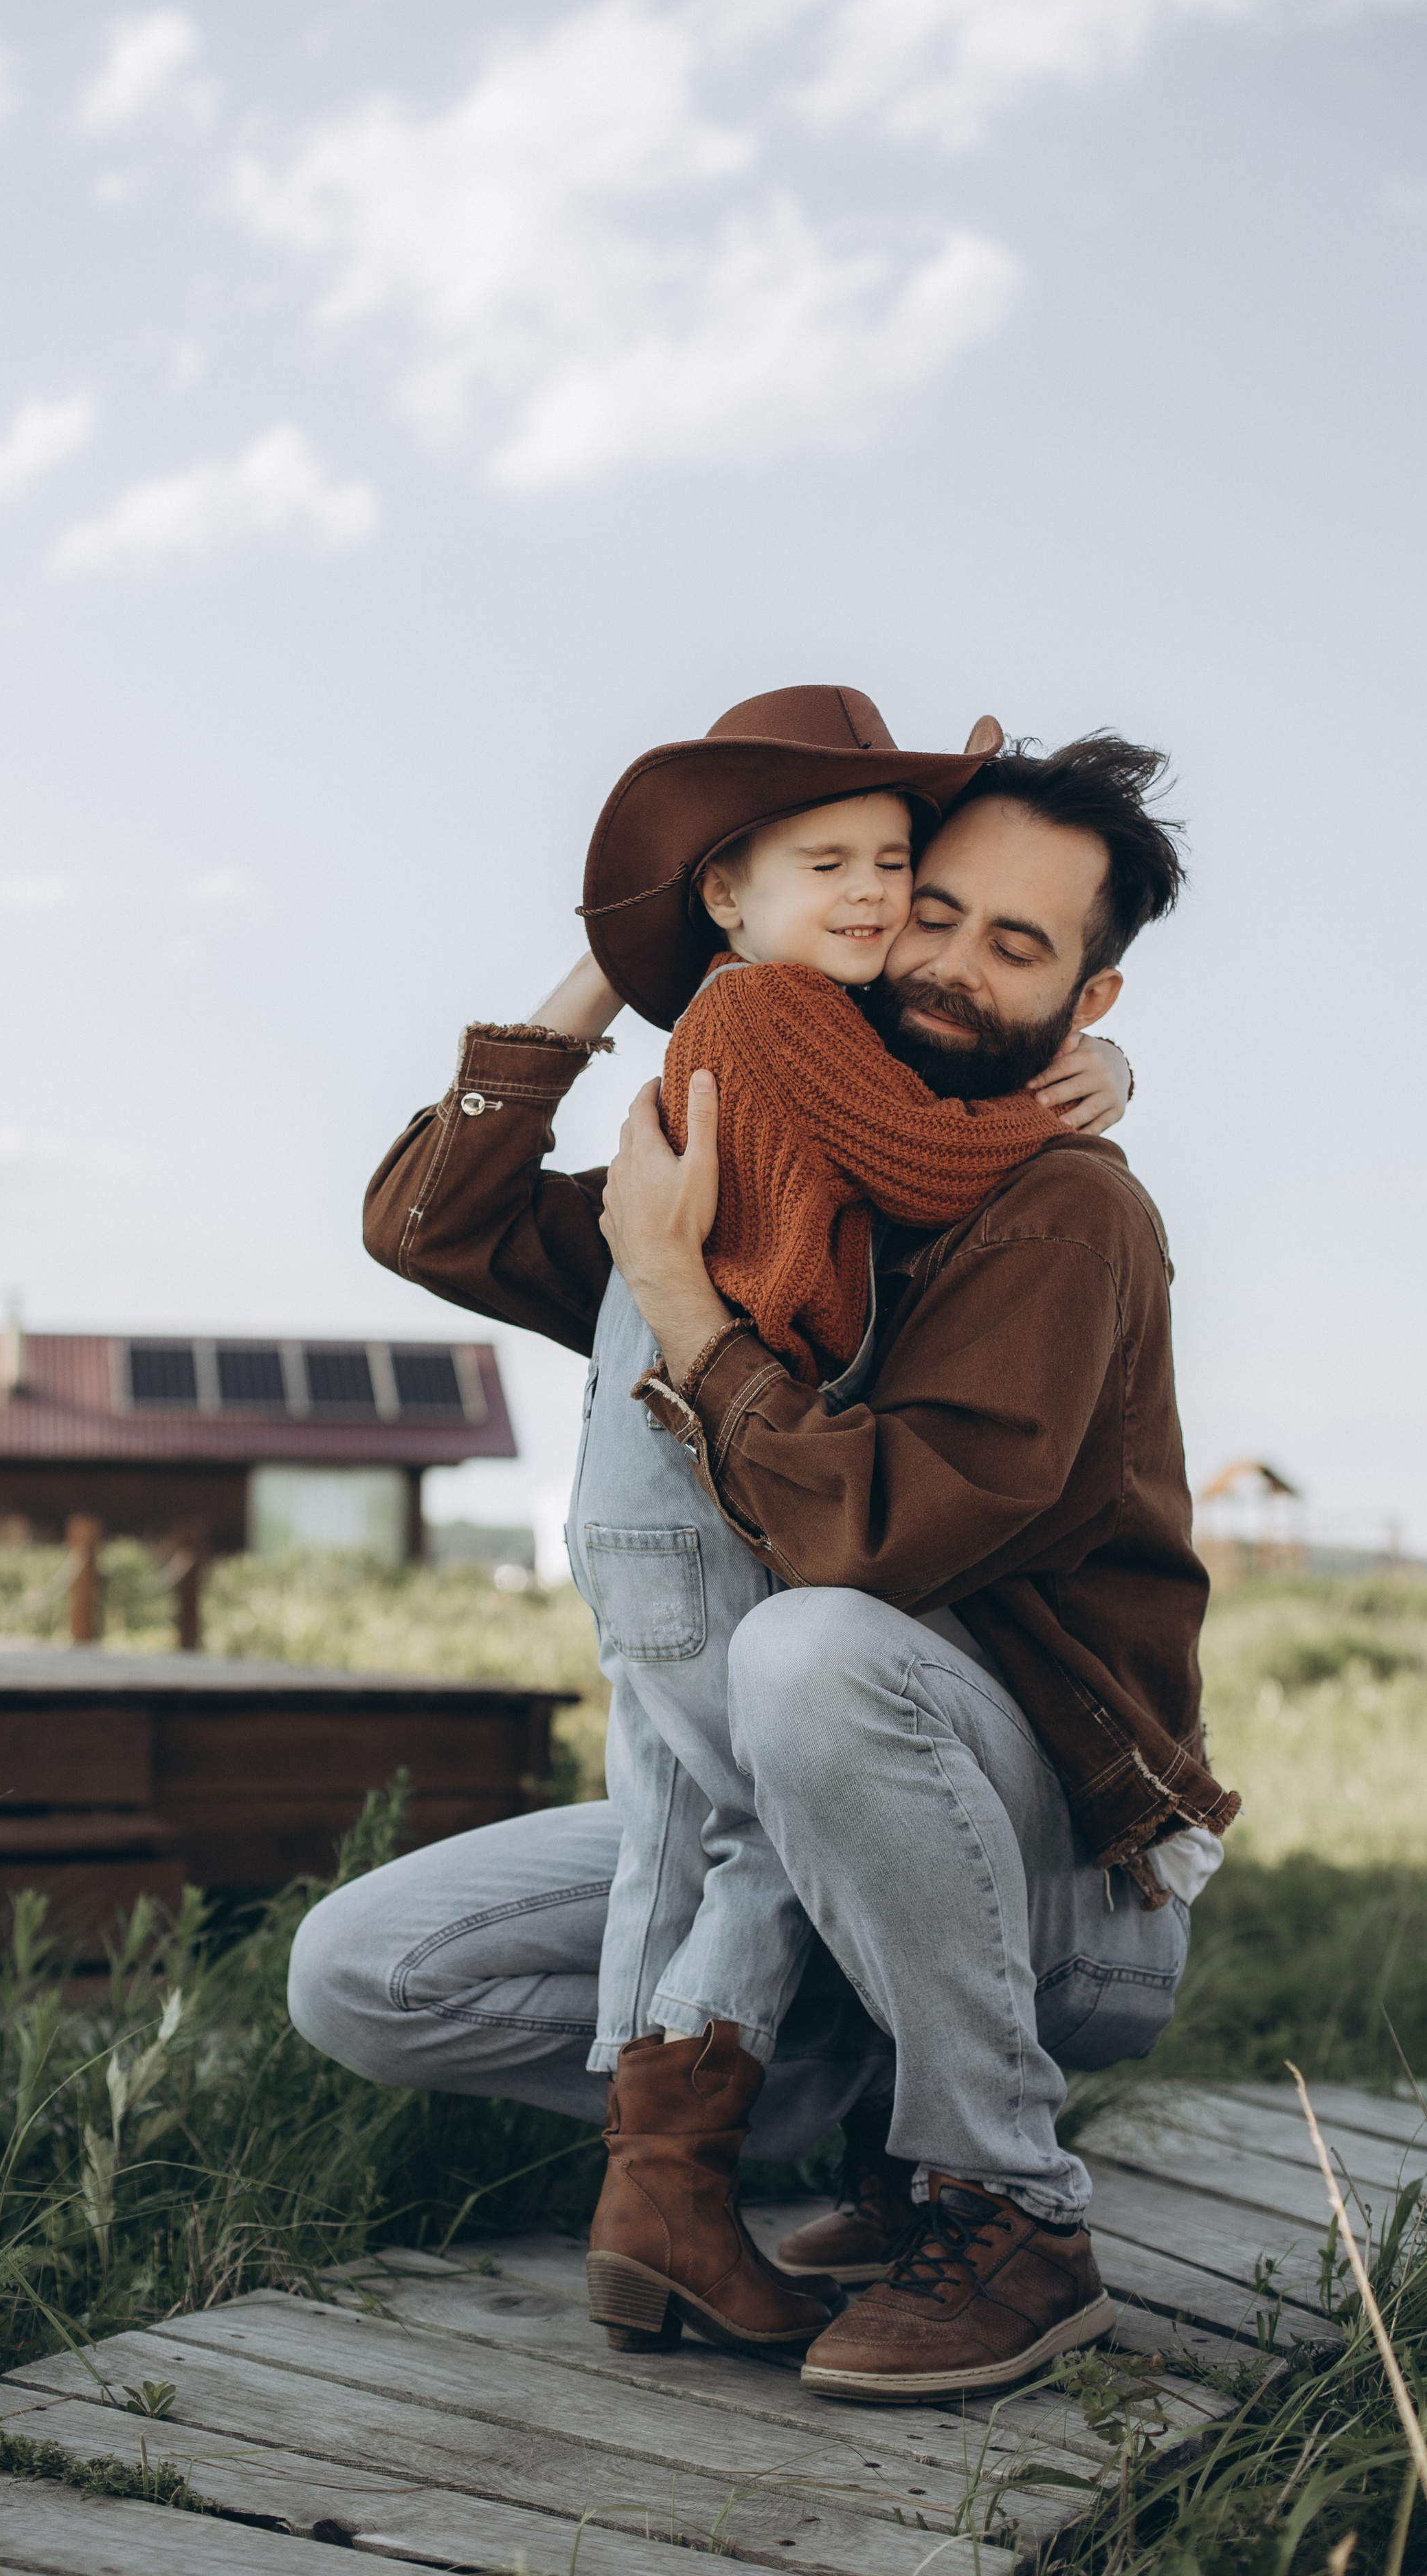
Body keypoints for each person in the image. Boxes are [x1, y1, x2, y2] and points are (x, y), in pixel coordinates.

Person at [291, 684, 1237, 2402]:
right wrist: (626, 953)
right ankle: (831, 2129)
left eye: (1012, 947)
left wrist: (672, 1303)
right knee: (362, 1973)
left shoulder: (1061, 1206)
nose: (942, 958)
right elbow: (437, 1222)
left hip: (1058, 1885)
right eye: (921, 906)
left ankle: (1003, 2203)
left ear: (1085, 999)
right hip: (809, 1812)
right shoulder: (772, 1175)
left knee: (799, 1645)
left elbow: (875, 1538)